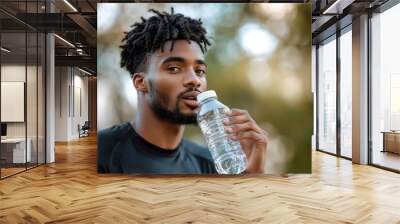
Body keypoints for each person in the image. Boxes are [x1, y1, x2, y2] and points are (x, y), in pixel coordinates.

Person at [98, 8, 268, 174]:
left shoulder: (210, 164)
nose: (194, 80)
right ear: (141, 82)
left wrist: (251, 178)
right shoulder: (99, 153)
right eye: (174, 68)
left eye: (200, 71)